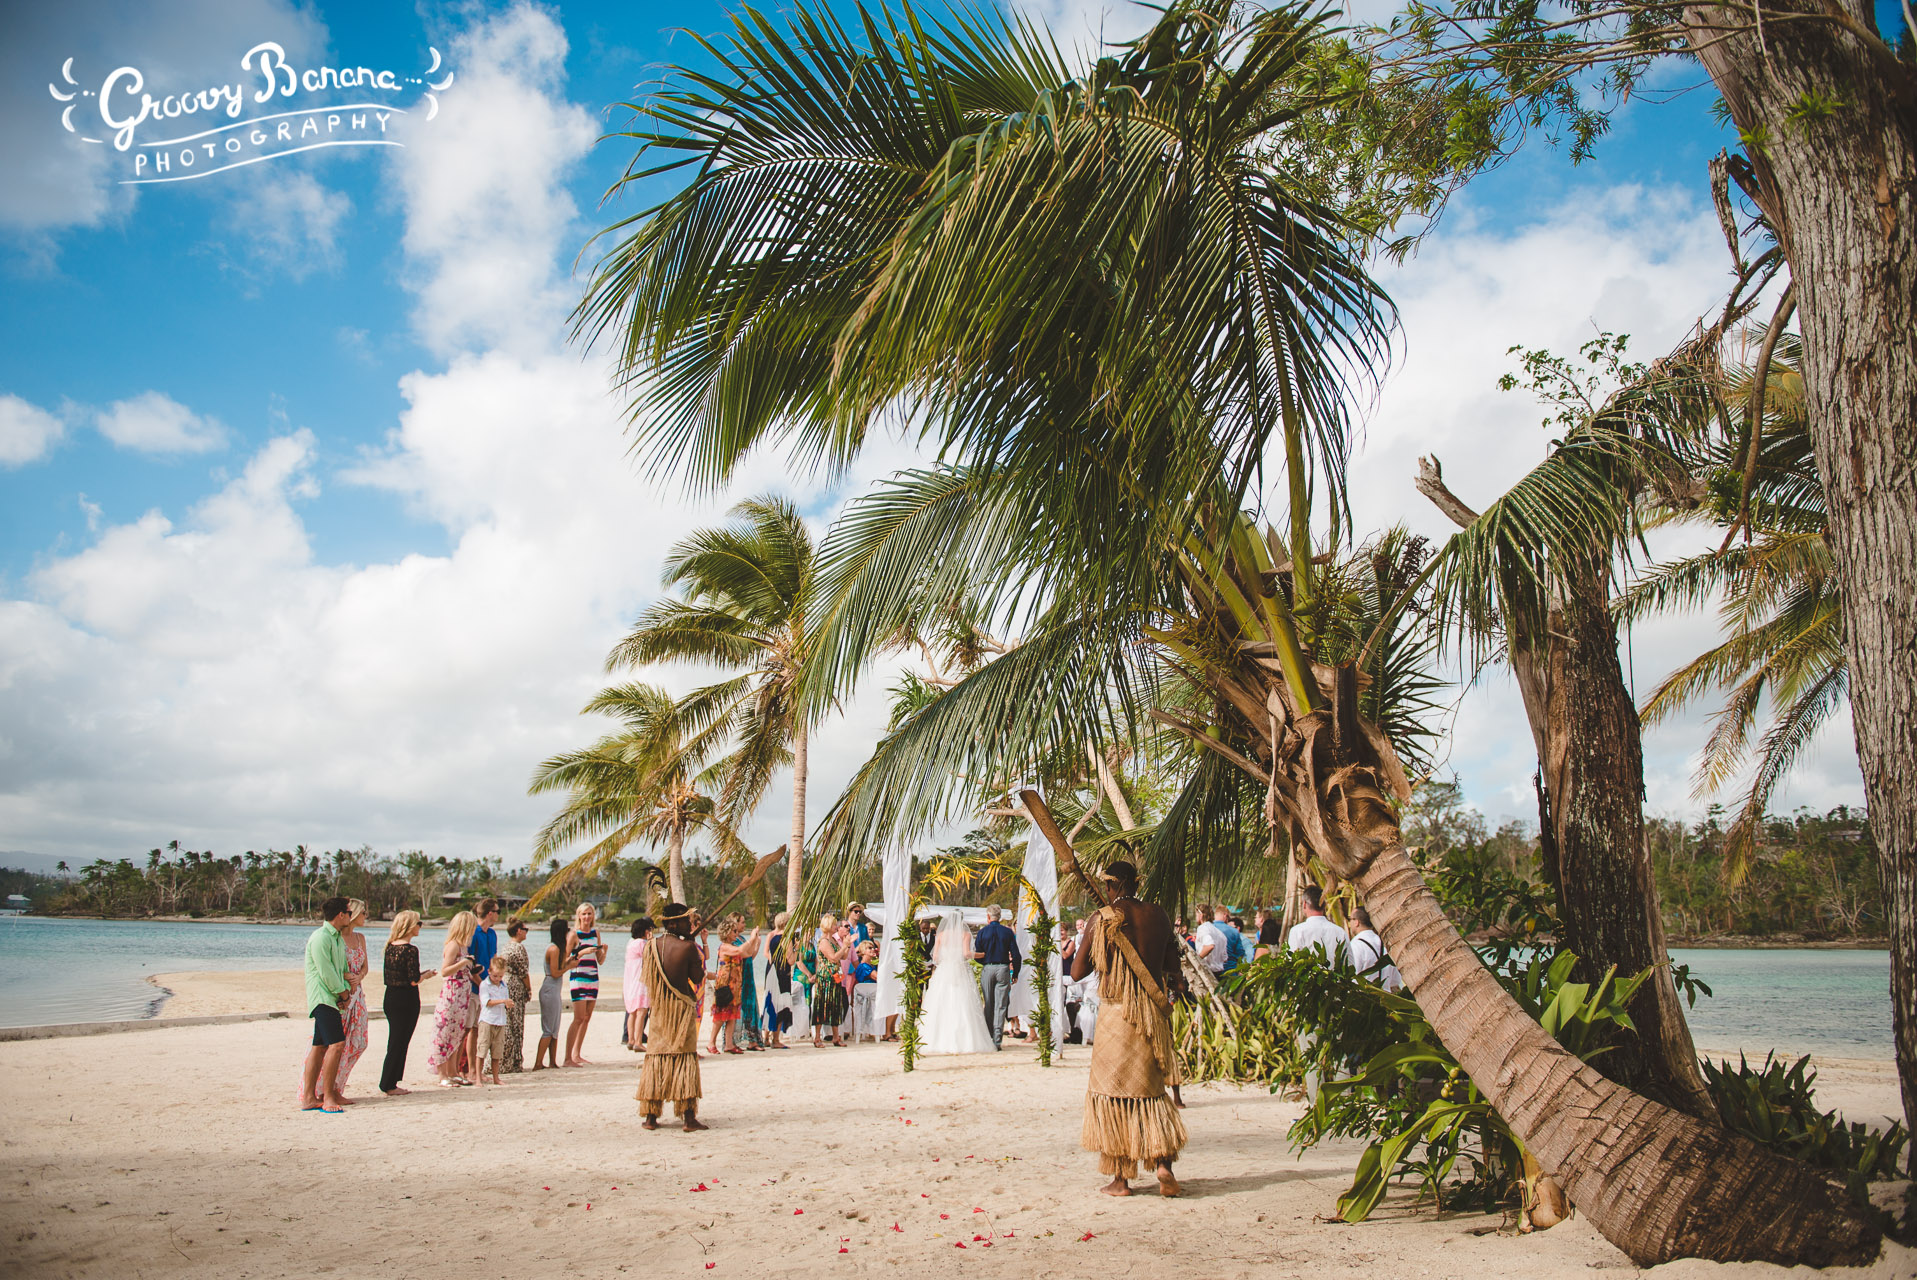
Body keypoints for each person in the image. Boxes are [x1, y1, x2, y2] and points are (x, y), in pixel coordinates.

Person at [1071, 861, 1187, 1197]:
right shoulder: (1158, 915)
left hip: (1116, 1016)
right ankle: (1164, 1166)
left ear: (1111, 886)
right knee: (1151, 1093)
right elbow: (1172, 966)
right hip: (1151, 1015)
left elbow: (1076, 972)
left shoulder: (1102, 918)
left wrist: (1101, 946)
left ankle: (1121, 1180)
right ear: (1135, 883)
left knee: (1114, 1097)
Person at [635, 903, 707, 1131]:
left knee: (656, 1058)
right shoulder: (688, 948)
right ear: (674, 924)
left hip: (659, 1009)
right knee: (684, 1059)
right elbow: (697, 978)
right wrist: (693, 949)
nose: (690, 924)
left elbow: (649, 977)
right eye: (686, 921)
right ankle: (688, 1118)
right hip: (681, 1009)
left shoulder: (651, 946)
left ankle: (650, 1117)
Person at [299, 897, 353, 1113]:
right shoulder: (321, 937)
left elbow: (341, 969)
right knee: (336, 1045)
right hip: (322, 997)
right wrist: (343, 993)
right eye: (349, 913)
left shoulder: (337, 938)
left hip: (332, 998)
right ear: (341, 914)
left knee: (320, 1046)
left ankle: (309, 1098)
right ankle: (328, 1096)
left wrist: (346, 989)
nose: (350, 917)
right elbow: (326, 972)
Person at [920, 908, 996, 1055]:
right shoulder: (965, 934)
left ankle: (936, 1040)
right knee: (962, 1002)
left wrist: (946, 960)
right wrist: (982, 954)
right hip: (960, 970)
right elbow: (967, 954)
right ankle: (965, 1041)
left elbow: (935, 957)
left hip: (944, 971)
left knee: (941, 1003)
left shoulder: (941, 935)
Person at [379, 910, 436, 1096]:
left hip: (391, 997)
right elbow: (413, 980)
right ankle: (388, 1083)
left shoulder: (390, 947)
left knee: (396, 1040)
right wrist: (426, 976)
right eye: (418, 923)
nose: (420, 927)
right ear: (410, 926)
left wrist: (421, 976)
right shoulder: (410, 950)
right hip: (406, 999)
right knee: (400, 1042)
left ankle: (391, 1081)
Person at [427, 911, 478, 1088]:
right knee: (444, 1033)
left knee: (457, 1034)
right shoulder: (453, 945)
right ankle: (442, 1074)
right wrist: (463, 963)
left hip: (462, 995)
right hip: (452, 994)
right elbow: (445, 971)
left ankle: (453, 1072)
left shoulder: (464, 947)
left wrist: (472, 968)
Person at [329, 899, 373, 1101]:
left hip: (358, 995)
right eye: (363, 912)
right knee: (338, 1043)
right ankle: (330, 1089)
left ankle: (338, 1085)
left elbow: (365, 967)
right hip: (342, 994)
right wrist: (346, 977)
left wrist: (359, 976)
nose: (365, 916)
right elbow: (331, 967)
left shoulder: (360, 938)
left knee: (359, 1042)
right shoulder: (336, 937)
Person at [971, 904, 1022, 1050]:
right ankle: (997, 1039)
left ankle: (988, 1036)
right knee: (1001, 1005)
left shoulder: (982, 932)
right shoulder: (1007, 932)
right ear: (1000, 917)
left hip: (988, 967)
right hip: (1003, 967)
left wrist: (985, 962)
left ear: (988, 917)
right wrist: (1015, 972)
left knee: (988, 1003)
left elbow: (977, 953)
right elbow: (1016, 954)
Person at [564, 902, 607, 1067]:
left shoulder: (596, 933)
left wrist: (603, 951)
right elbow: (566, 960)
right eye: (584, 914)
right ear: (579, 916)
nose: (587, 917)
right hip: (578, 978)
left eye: (589, 913)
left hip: (593, 978)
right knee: (578, 1018)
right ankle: (567, 1057)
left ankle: (577, 1054)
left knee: (587, 1017)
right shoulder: (574, 934)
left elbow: (599, 960)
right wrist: (581, 952)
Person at [463, 898, 499, 1086]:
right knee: (469, 1029)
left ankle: (475, 1070)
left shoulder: (491, 934)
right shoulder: (473, 933)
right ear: (490, 913)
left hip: (487, 987)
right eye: (497, 911)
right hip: (473, 989)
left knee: (480, 1030)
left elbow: (493, 960)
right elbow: (469, 964)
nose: (499, 915)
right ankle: (468, 1070)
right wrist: (483, 985)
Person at [534, 916, 570, 1070]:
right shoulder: (554, 949)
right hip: (550, 988)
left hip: (554, 989)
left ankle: (552, 1061)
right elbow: (555, 973)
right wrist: (569, 966)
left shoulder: (557, 948)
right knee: (548, 1029)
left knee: (554, 1028)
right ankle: (538, 1063)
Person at [810, 914, 848, 1047]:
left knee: (835, 1005)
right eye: (834, 924)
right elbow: (833, 958)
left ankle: (836, 1037)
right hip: (825, 978)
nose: (836, 927)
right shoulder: (824, 941)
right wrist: (844, 947)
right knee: (822, 1005)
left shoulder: (833, 940)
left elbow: (843, 957)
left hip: (834, 977)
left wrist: (846, 945)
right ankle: (817, 1037)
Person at [1287, 885, 1349, 966]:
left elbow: (1292, 963)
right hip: (1335, 974)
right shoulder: (1340, 932)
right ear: (1325, 904)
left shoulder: (1297, 931)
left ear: (1304, 904)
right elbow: (1349, 964)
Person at [1346, 906, 1404, 992]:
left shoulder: (1355, 945)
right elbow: (1395, 980)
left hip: (1363, 996)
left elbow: (1350, 976)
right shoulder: (1385, 943)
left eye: (1350, 919)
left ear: (1356, 922)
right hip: (1385, 996)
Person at [500, 918, 532, 1073]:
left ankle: (506, 1060)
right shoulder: (518, 948)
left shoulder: (506, 946)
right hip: (515, 985)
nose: (526, 933)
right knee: (516, 1024)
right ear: (519, 931)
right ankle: (514, 1061)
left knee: (509, 1022)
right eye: (525, 930)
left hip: (506, 983)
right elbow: (523, 972)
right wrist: (529, 989)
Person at [476, 956, 512, 1085]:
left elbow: (506, 1002)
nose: (497, 979)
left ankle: (496, 1078)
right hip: (487, 1020)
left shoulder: (504, 986)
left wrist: (508, 1004)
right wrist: (503, 1001)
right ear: (489, 972)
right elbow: (487, 1002)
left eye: (500, 976)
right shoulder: (484, 985)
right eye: (495, 976)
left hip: (500, 1021)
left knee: (497, 1052)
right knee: (482, 1050)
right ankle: (478, 1078)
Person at [624, 917, 654, 1053]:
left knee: (632, 1012)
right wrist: (651, 941)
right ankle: (638, 1041)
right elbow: (651, 957)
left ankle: (631, 1039)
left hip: (630, 982)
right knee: (642, 1011)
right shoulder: (642, 944)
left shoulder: (631, 944)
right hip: (640, 982)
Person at [851, 939, 880, 1043]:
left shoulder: (871, 965)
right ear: (863, 951)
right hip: (867, 995)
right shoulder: (863, 966)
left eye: (873, 948)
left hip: (872, 995)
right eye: (869, 948)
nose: (872, 950)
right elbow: (877, 977)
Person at [1193, 906, 1233, 978]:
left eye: (1196, 915)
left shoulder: (1203, 928)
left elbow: (1209, 946)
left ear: (1201, 915)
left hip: (1207, 972)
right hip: (1219, 973)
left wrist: (1197, 960)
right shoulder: (1220, 933)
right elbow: (1225, 958)